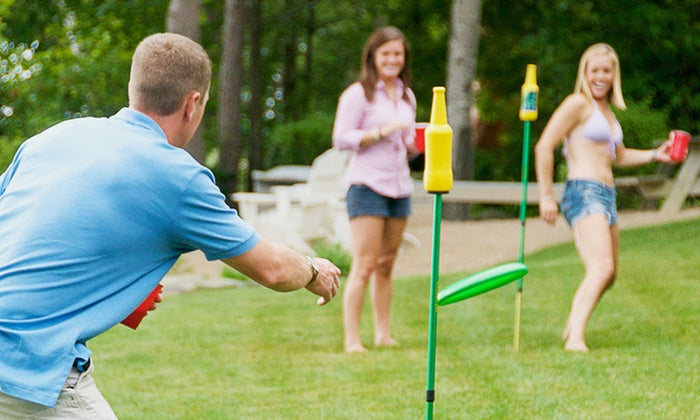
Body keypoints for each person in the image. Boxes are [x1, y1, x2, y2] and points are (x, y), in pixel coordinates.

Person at [0, 33, 341, 418]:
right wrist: (314, 270)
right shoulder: (178, 177)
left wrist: (118, 290)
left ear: (134, 87)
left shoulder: (54, 138)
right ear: (193, 103)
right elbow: (273, 268)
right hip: (25, 364)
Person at [534, 43, 675, 353]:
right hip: (583, 191)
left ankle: (573, 324)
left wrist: (656, 154)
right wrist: (545, 196)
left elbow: (619, 156)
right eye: (594, 70)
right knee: (602, 268)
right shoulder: (577, 104)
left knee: (609, 275)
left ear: (614, 75)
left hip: (606, 194)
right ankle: (575, 338)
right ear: (585, 72)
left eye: (606, 70)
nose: (600, 76)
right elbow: (544, 146)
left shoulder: (607, 112)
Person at [332, 26, 418, 353]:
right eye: (386, 54)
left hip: (399, 187)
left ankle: (383, 333)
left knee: (387, 264)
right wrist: (381, 131)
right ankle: (352, 339)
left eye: (398, 53)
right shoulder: (358, 94)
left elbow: (406, 142)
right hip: (366, 184)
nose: (393, 59)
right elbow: (341, 138)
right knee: (365, 263)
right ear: (373, 57)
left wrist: (416, 144)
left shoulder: (408, 96)